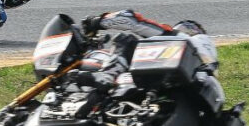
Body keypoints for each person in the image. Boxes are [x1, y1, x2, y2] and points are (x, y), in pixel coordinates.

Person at [72, 10, 219, 89]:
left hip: (159, 77)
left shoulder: (177, 37)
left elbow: (130, 19)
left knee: (125, 39)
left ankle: (108, 75)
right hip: (184, 97)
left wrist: (97, 22)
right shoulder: (210, 76)